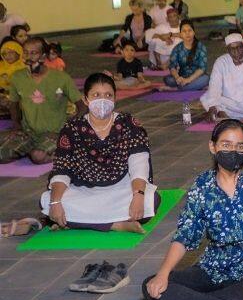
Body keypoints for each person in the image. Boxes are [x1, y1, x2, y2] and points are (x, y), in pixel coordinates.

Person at [144, 119, 243, 300]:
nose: (233, 151)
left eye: (240, 146)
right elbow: (185, 235)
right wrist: (163, 274)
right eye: (226, 145)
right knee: (150, 285)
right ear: (213, 146)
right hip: (212, 268)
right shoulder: (202, 185)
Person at [39, 72, 160, 234]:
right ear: (85, 99)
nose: (102, 100)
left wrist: (138, 196)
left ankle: (79, 222)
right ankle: (116, 225)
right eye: (96, 95)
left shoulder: (129, 124)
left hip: (121, 187)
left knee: (150, 201)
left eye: (108, 95)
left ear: (115, 98)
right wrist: (55, 203)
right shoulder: (72, 129)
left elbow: (139, 164)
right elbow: (62, 169)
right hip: (84, 189)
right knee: (48, 202)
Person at [0, 38, 83, 164]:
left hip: (54, 133)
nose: (28, 57)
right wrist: (17, 126)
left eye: (34, 53)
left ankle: (69, 148)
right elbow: (13, 104)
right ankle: (30, 147)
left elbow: (82, 106)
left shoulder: (61, 78)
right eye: (26, 53)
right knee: (2, 154)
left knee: (38, 156)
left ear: (43, 56)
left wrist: (67, 129)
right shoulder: (17, 77)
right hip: (28, 133)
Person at [163, 20, 209, 91]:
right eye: (184, 31)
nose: (187, 33)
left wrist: (188, 80)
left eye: (189, 30)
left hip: (197, 77)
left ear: (194, 32)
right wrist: (177, 77)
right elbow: (172, 66)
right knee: (168, 79)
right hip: (182, 77)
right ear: (180, 34)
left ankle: (179, 88)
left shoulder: (201, 47)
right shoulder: (177, 48)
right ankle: (192, 86)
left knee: (206, 79)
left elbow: (202, 69)